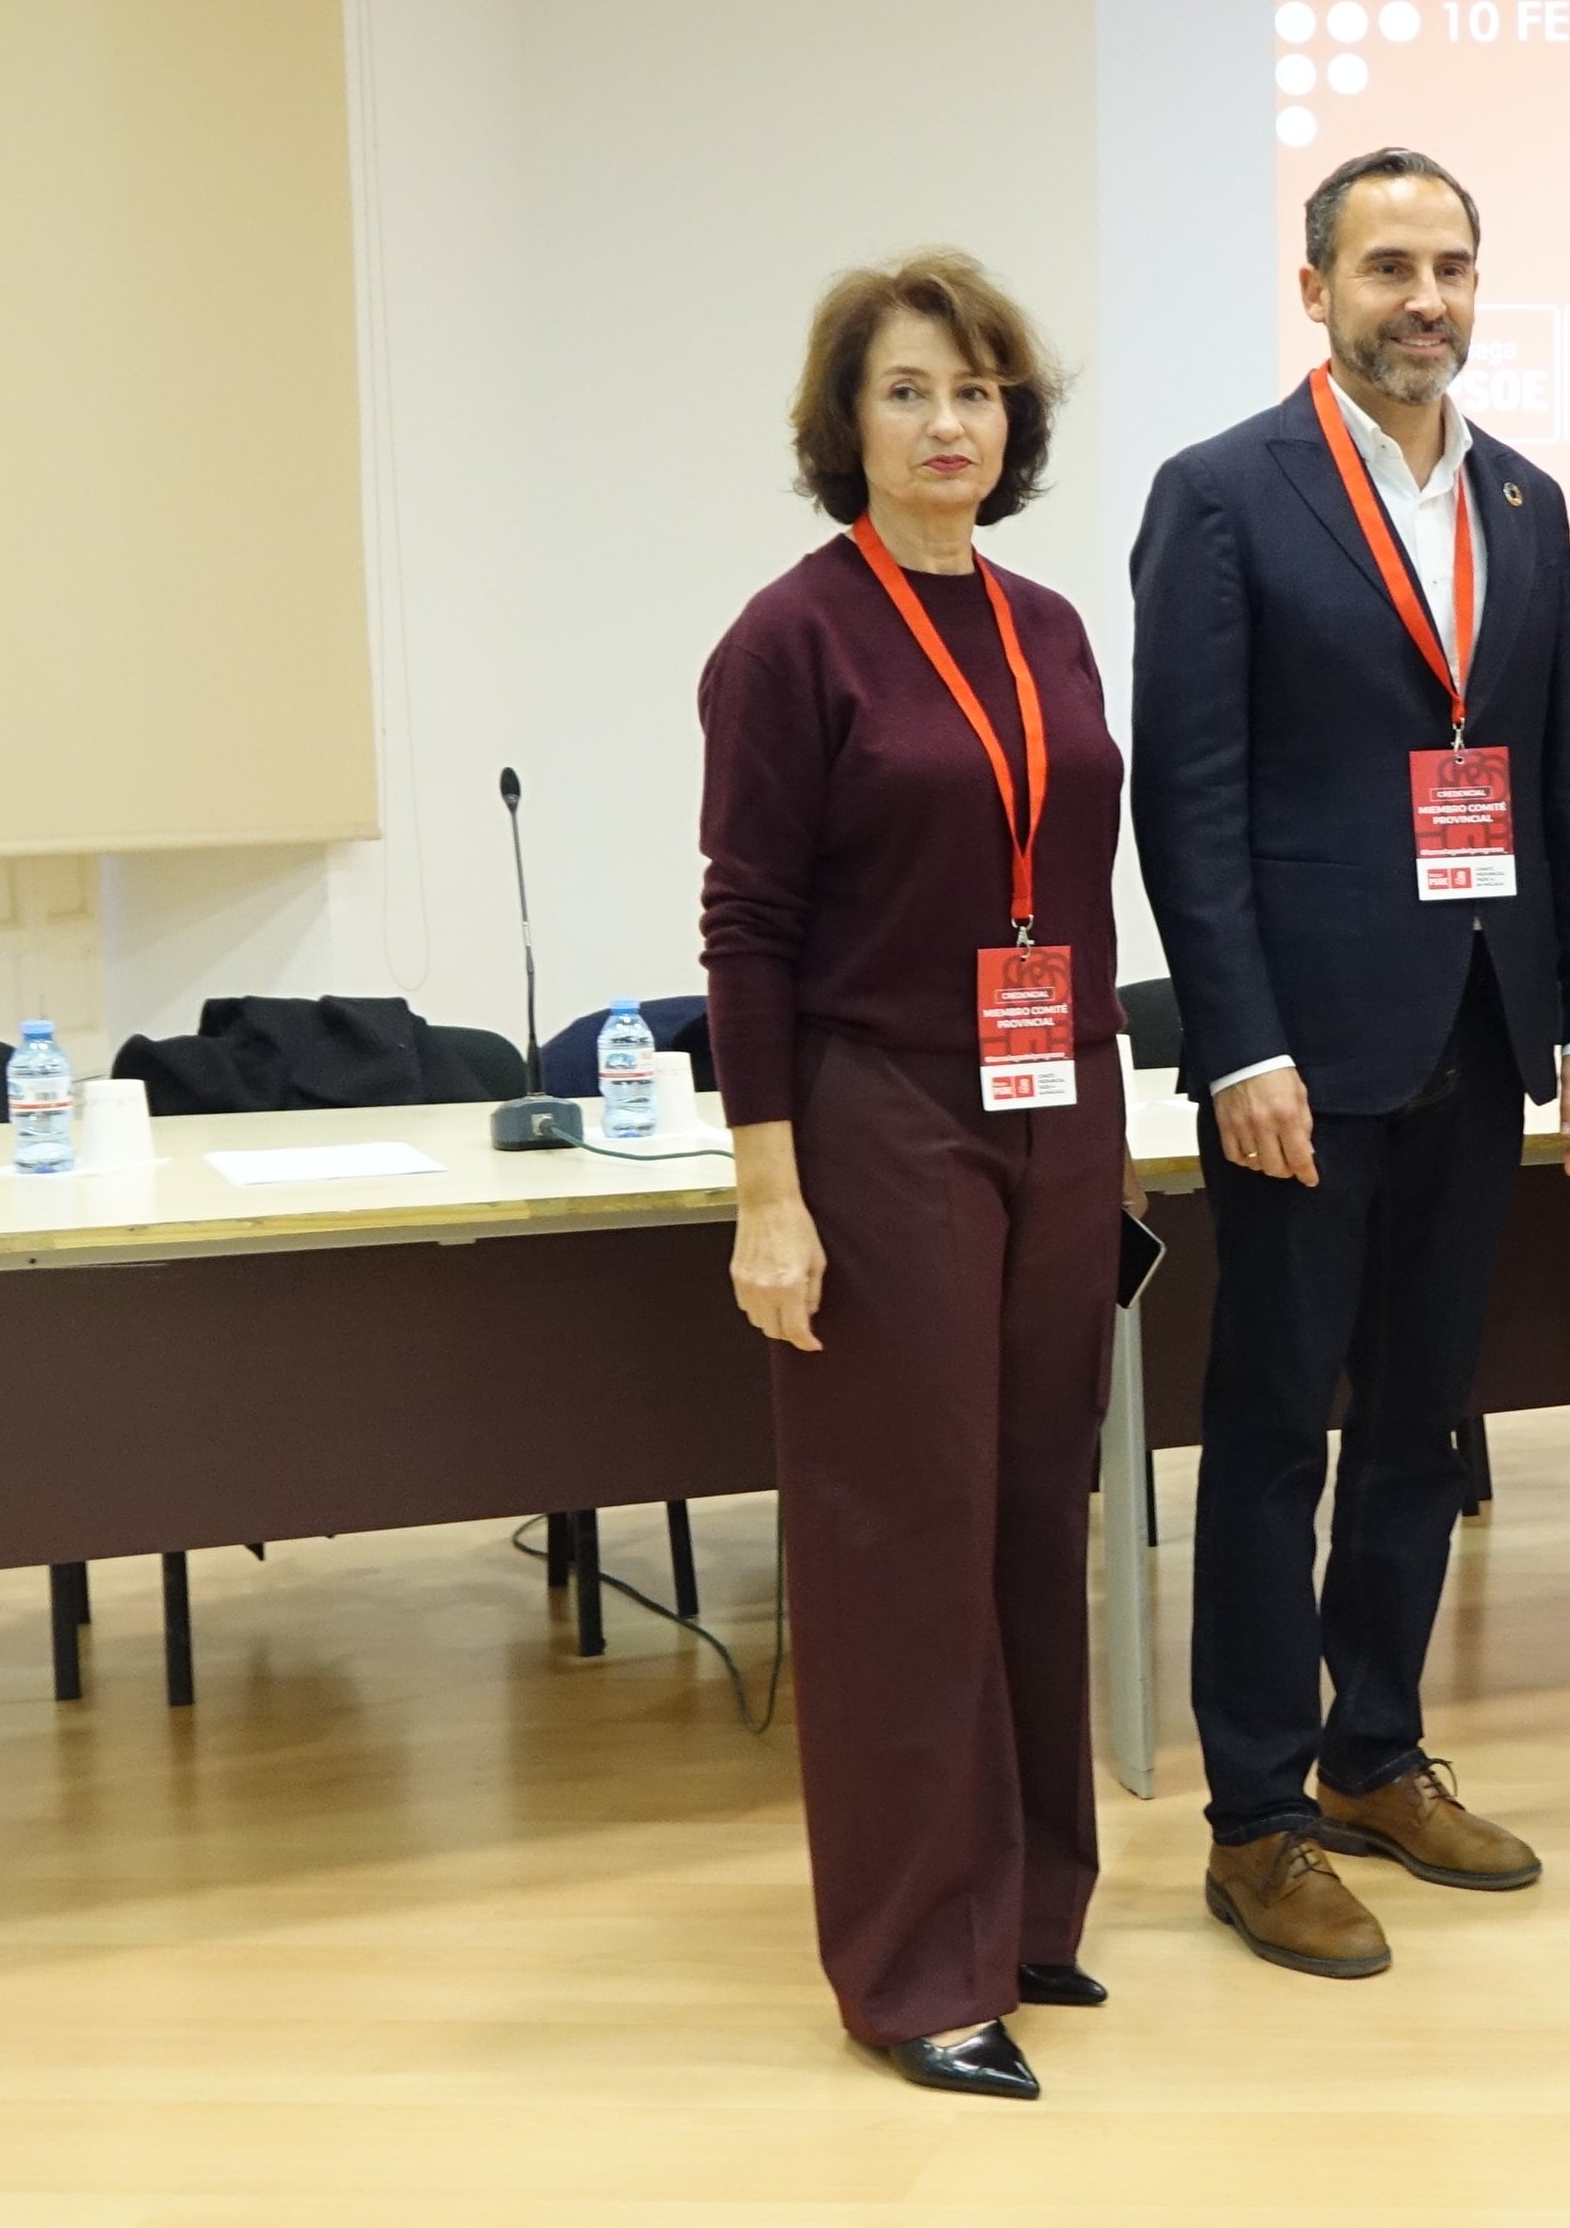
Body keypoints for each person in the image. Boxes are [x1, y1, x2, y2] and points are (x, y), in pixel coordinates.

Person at [1131, 148, 1570, 1978]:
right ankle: (1256, 1819)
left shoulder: (1526, 494)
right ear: (1317, 287)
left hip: (1479, 1027)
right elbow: (1184, 804)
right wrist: (1235, 1039)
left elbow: (1557, 773)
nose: (1422, 297)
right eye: (1385, 266)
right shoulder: (1220, 495)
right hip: (1302, 1059)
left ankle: (1374, 1755)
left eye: (1450, 266)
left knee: (1426, 1423)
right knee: (1274, 1434)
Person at [698, 252, 1125, 2097]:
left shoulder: (1046, 622)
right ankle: (912, 1964)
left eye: (977, 391)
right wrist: (766, 1192)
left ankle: (1026, 1909)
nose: (951, 422)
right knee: (902, 1534)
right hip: (881, 1110)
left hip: (1056, 1098)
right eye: (908, 392)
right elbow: (747, 930)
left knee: (1035, 1503)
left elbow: (1074, 876)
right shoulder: (789, 639)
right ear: (844, 426)